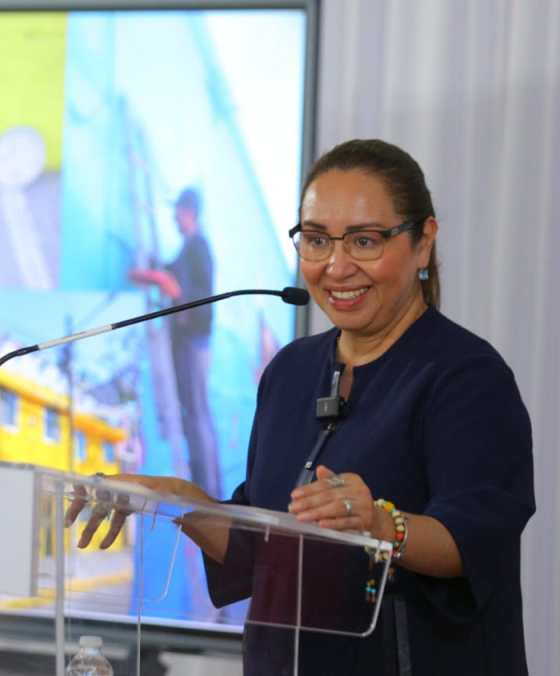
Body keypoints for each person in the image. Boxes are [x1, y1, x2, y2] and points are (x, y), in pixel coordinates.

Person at [74, 140, 535, 675]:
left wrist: (380, 523)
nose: (336, 267)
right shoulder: (290, 372)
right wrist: (174, 498)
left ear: (423, 242)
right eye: (316, 241)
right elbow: (258, 549)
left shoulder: (466, 376)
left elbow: (474, 541)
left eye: (364, 241)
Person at [129, 187, 221, 498]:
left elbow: (202, 296)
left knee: (197, 414)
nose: (173, 218)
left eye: (177, 212)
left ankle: (208, 489)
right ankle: (201, 482)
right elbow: (170, 272)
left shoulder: (199, 246)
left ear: (188, 212)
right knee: (191, 413)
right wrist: (155, 273)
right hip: (186, 340)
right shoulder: (187, 249)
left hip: (194, 339)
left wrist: (166, 284)